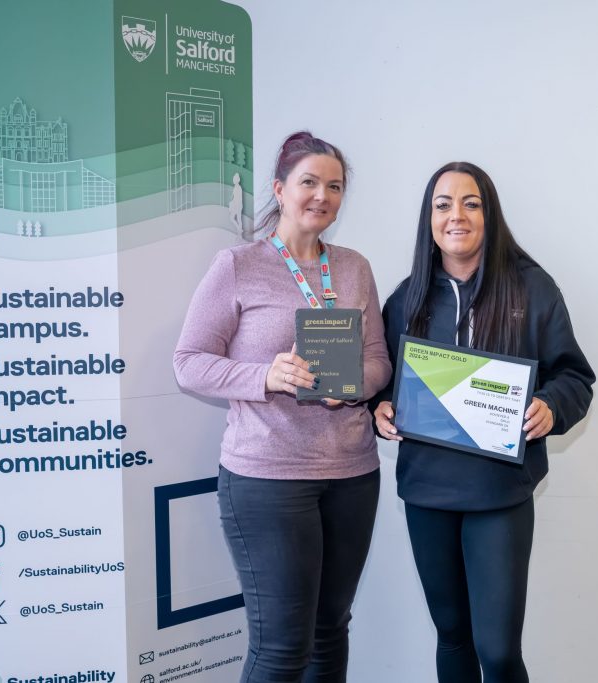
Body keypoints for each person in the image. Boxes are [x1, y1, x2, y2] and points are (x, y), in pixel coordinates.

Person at [174, 132, 391, 682]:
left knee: (329, 632)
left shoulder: (354, 268)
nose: (322, 196)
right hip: (267, 478)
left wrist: (357, 386)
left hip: (352, 474)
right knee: (280, 649)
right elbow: (189, 361)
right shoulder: (238, 265)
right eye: (309, 182)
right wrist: (263, 375)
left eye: (334, 186)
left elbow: (378, 361)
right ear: (280, 189)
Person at [373, 162, 595, 682]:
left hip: (499, 492)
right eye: (443, 204)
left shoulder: (532, 289)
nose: (457, 216)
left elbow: (575, 377)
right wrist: (378, 406)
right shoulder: (406, 299)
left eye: (471, 203)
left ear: (489, 214)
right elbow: (384, 380)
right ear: (429, 218)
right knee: (451, 637)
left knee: (496, 651)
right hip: (427, 492)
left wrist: (551, 405)